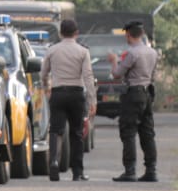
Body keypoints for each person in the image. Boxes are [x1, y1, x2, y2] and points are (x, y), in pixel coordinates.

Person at [40, 19, 97, 182]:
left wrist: (47, 88)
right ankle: (77, 172)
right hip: (76, 94)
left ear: (60, 33)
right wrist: (93, 101)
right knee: (77, 133)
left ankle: (54, 162)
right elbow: (88, 76)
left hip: (58, 93)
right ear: (76, 33)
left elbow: (43, 73)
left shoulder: (52, 50)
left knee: (55, 130)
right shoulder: (82, 52)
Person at [108, 20, 158, 182]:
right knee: (147, 132)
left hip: (133, 94)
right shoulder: (153, 52)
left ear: (129, 35)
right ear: (142, 34)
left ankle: (130, 171)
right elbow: (153, 75)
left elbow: (117, 74)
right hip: (147, 93)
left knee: (128, 131)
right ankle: (151, 170)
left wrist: (113, 61)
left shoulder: (132, 53)